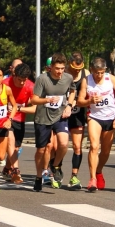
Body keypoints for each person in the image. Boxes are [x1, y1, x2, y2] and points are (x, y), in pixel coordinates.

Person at [75, 57, 115, 192]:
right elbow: (79, 101)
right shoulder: (86, 81)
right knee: (94, 146)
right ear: (92, 70)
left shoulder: (111, 79)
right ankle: (92, 179)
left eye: (101, 72)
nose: (99, 75)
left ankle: (99, 171)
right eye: (96, 72)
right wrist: (90, 101)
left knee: (105, 151)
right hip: (94, 117)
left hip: (111, 118)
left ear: (105, 70)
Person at [31, 53, 76, 192]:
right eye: (57, 68)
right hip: (43, 117)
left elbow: (73, 91)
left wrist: (69, 106)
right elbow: (34, 100)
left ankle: (55, 166)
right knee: (41, 150)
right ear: (51, 67)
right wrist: (47, 100)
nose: (60, 71)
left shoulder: (68, 78)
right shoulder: (42, 79)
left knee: (63, 143)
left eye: (62, 68)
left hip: (60, 115)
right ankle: (39, 177)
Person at [2, 63, 35, 184]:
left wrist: (18, 109)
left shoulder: (30, 86)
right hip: (5, 118)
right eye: (19, 80)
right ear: (14, 75)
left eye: (24, 80)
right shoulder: (5, 84)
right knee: (10, 141)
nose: (22, 83)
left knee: (16, 148)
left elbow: (34, 109)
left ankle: (7, 168)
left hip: (20, 119)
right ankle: (16, 170)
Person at [64, 52, 88, 189]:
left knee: (77, 146)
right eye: (75, 67)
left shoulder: (86, 73)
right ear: (69, 63)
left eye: (80, 68)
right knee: (58, 146)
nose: (77, 70)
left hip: (78, 114)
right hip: (61, 113)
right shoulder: (63, 72)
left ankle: (74, 176)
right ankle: (55, 169)